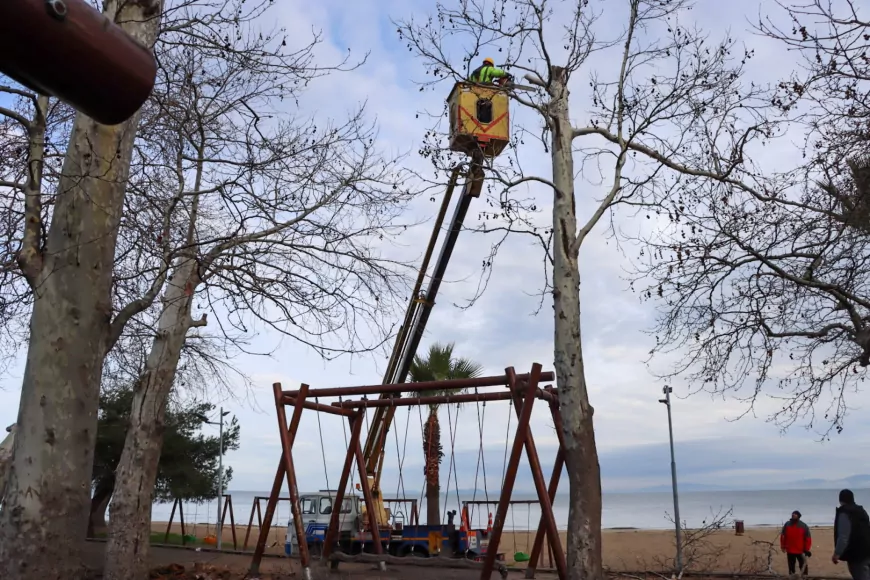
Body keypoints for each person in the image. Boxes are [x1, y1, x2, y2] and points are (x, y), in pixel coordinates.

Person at [833, 489, 870, 580]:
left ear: (840, 500)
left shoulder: (844, 512)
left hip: (856, 553)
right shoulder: (861, 511)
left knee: (861, 576)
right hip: (867, 549)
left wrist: (837, 553)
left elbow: (843, 536)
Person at [781, 510, 812, 575]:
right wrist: (783, 546)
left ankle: (804, 577)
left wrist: (806, 549)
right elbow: (783, 536)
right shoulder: (787, 524)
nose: (793, 515)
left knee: (803, 566)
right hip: (790, 550)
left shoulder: (803, 526)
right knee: (791, 567)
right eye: (792, 514)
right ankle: (792, 577)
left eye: (795, 515)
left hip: (800, 550)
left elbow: (808, 538)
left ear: (798, 516)